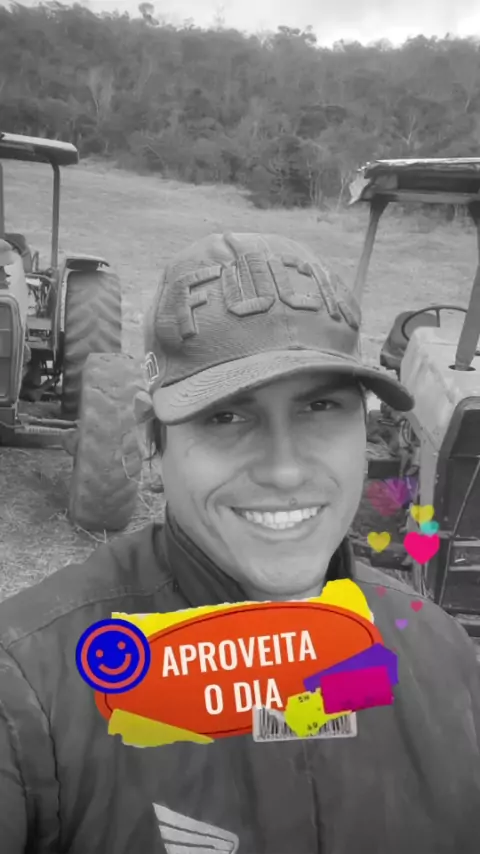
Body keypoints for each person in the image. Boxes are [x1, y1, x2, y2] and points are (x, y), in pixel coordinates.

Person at [1, 232, 480, 854]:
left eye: (320, 406)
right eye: (225, 416)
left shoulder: (442, 653)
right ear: (152, 441)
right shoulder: (29, 690)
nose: (284, 470)